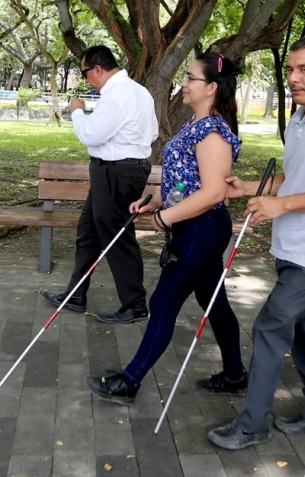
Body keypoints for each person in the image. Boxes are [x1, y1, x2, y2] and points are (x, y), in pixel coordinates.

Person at [207, 36, 305, 450]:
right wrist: (248, 189)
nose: (293, 78)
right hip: (291, 247)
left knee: (271, 325)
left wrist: (282, 206)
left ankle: (252, 424)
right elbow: (298, 179)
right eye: (291, 69)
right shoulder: (300, 117)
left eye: (304, 70)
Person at [85, 53, 249, 404]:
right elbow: (186, 181)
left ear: (212, 88)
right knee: (214, 302)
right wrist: (156, 200)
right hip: (194, 227)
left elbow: (214, 192)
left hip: (201, 229)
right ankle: (235, 375)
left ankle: (129, 381)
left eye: (190, 78)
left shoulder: (213, 132)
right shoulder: (195, 124)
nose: (184, 84)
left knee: (163, 302)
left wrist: (166, 218)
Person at [41, 45, 157, 324]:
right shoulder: (139, 91)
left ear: (97, 69)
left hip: (116, 173)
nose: (85, 80)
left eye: (84, 73)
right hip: (117, 171)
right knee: (89, 233)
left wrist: (77, 112)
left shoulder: (116, 95)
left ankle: (135, 304)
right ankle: (75, 294)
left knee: (117, 238)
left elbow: (91, 135)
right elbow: (152, 132)